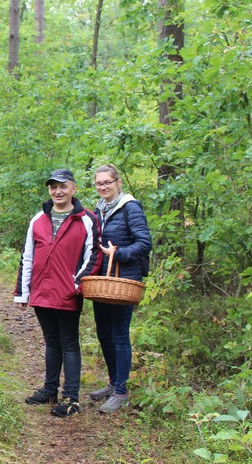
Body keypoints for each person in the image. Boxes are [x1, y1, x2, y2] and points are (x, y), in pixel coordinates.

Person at [13, 168, 101, 417]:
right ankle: (50, 390)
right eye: (53, 187)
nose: (58, 191)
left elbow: (93, 255)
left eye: (63, 186)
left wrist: (76, 285)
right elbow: (27, 256)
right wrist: (23, 291)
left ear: (73, 188)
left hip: (67, 293)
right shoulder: (38, 219)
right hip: (41, 291)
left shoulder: (86, 219)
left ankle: (71, 398)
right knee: (51, 341)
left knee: (69, 343)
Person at [89, 164, 152, 413]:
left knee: (119, 335)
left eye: (107, 182)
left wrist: (117, 253)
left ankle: (121, 391)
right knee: (104, 333)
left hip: (123, 281)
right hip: (102, 281)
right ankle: (114, 382)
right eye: (99, 183)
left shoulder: (130, 207)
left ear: (118, 182)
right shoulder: (99, 210)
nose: (103, 187)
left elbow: (144, 243)